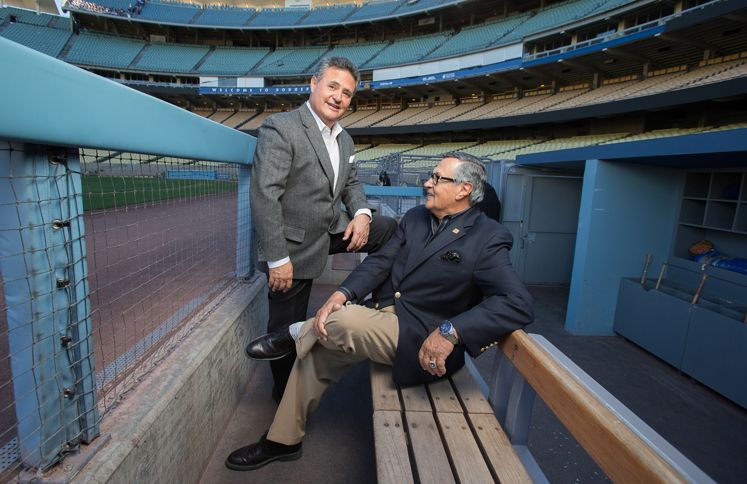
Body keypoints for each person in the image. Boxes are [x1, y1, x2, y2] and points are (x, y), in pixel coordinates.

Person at [226, 152, 534, 471]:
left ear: (463, 190)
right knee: (315, 351)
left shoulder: (489, 238)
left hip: (422, 338)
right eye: (430, 175)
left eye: (437, 178)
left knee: (341, 319)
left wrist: (450, 332)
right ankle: (282, 441)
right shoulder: (415, 218)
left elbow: (517, 303)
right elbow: (381, 260)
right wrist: (343, 292)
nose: (427, 182)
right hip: (381, 319)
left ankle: (292, 334)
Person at [250, 56, 397, 403]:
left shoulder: (344, 139)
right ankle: (283, 399)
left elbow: (352, 183)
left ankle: (382, 309)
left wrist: (361, 214)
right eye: (333, 86)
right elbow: (264, 195)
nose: (339, 97)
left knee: (388, 230)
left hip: (329, 231)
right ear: (313, 84)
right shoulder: (282, 127)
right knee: (285, 330)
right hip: (292, 247)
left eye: (347, 93)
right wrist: (277, 259)